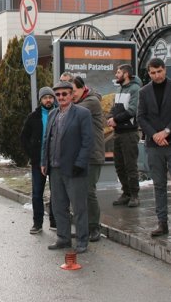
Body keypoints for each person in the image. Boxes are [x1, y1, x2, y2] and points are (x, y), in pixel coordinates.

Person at [137, 58, 171, 237]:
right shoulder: (144, 92)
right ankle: (162, 223)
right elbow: (141, 117)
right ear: (149, 73)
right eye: (153, 72)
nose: (157, 75)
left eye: (159, 71)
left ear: (164, 70)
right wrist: (155, 135)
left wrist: (166, 132)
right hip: (154, 145)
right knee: (158, 185)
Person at [41, 81, 93, 253]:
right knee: (58, 206)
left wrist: (80, 163)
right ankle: (63, 238)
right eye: (59, 95)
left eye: (65, 94)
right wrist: (44, 162)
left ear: (71, 95)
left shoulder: (82, 113)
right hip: (55, 169)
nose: (61, 97)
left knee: (79, 207)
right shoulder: (53, 114)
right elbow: (47, 140)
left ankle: (82, 240)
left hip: (74, 169)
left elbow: (88, 142)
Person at [71, 76, 106, 242]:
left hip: (92, 154)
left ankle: (94, 227)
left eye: (73, 91)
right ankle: (82, 227)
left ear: (82, 88)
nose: (70, 95)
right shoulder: (77, 102)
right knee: (79, 192)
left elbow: (73, 113)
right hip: (79, 154)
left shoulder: (90, 102)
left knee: (88, 191)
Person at [20, 87, 57, 234]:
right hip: (38, 162)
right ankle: (37, 223)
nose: (48, 100)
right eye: (45, 97)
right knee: (37, 193)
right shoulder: (33, 117)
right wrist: (33, 155)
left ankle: (55, 221)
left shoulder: (59, 114)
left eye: (50, 97)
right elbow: (23, 137)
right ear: (40, 100)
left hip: (55, 161)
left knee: (56, 193)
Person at [107, 64, 141, 207]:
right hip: (118, 133)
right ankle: (126, 193)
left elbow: (132, 110)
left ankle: (134, 195)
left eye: (119, 72)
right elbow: (115, 108)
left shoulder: (135, 89)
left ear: (126, 74)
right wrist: (110, 116)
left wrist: (116, 119)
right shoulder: (119, 89)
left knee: (130, 166)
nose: (116, 74)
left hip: (129, 133)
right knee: (119, 166)